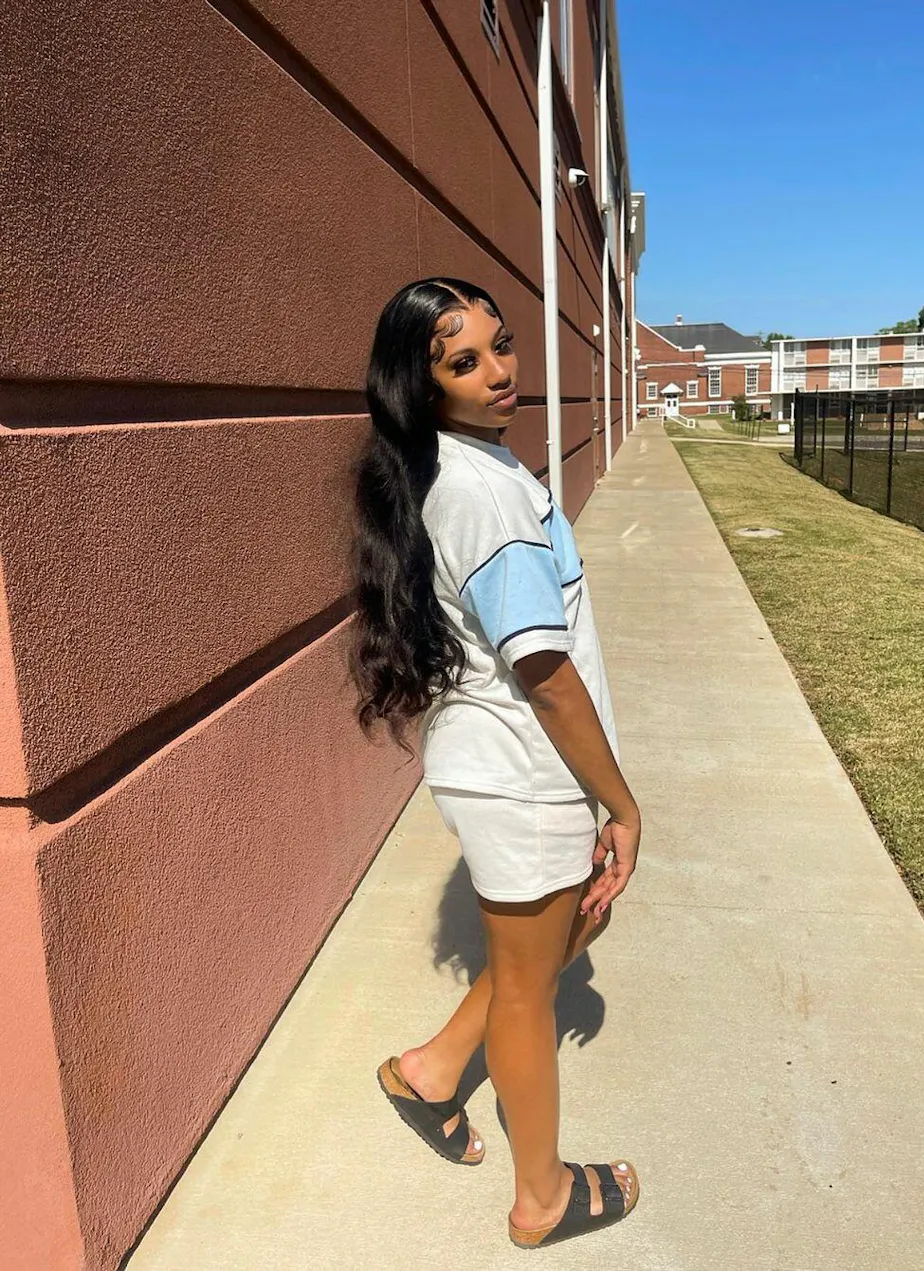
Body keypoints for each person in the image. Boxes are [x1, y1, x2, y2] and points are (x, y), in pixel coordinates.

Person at [351, 277, 641, 1249]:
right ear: (424, 384)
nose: (499, 371)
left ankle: (430, 1072)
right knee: (529, 987)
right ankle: (542, 1198)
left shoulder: (464, 462)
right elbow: (546, 673)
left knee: (562, 935)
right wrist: (621, 804)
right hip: (522, 772)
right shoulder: (486, 493)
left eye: (502, 346)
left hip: (501, 763)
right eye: (464, 361)